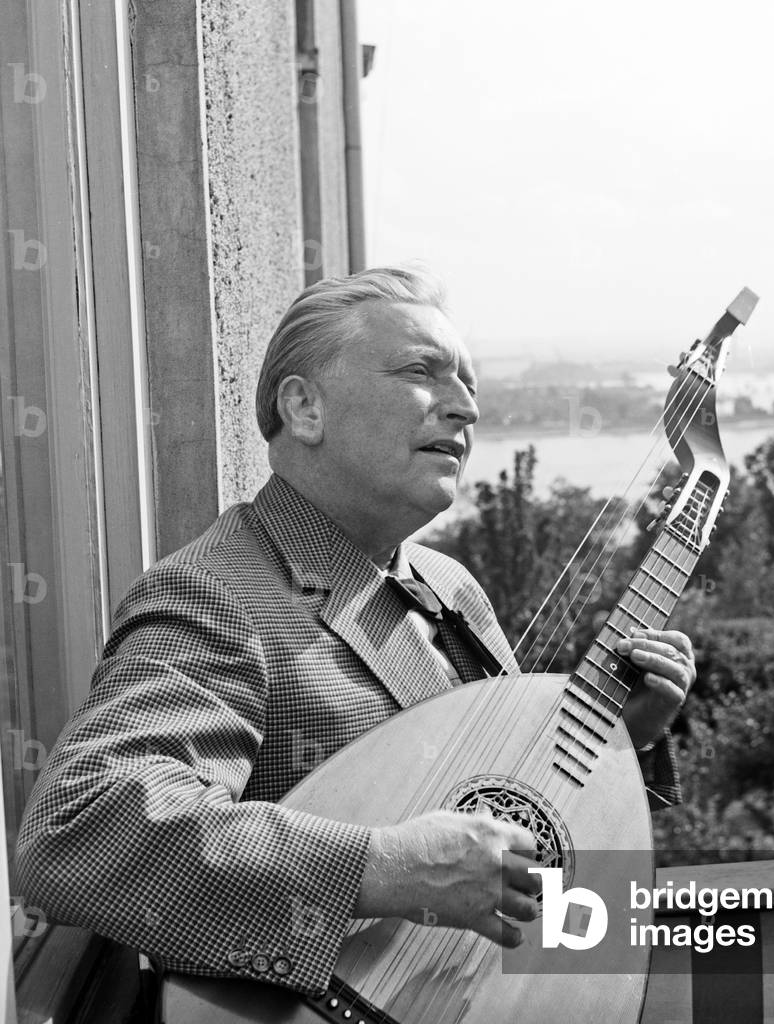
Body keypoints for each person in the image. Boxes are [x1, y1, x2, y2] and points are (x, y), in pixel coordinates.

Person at [15, 266, 695, 998]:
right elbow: (78, 830)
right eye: (422, 372)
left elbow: (509, 839)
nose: (466, 408)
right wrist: (386, 869)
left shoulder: (450, 586)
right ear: (305, 408)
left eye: (468, 382)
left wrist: (620, 743)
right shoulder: (216, 594)